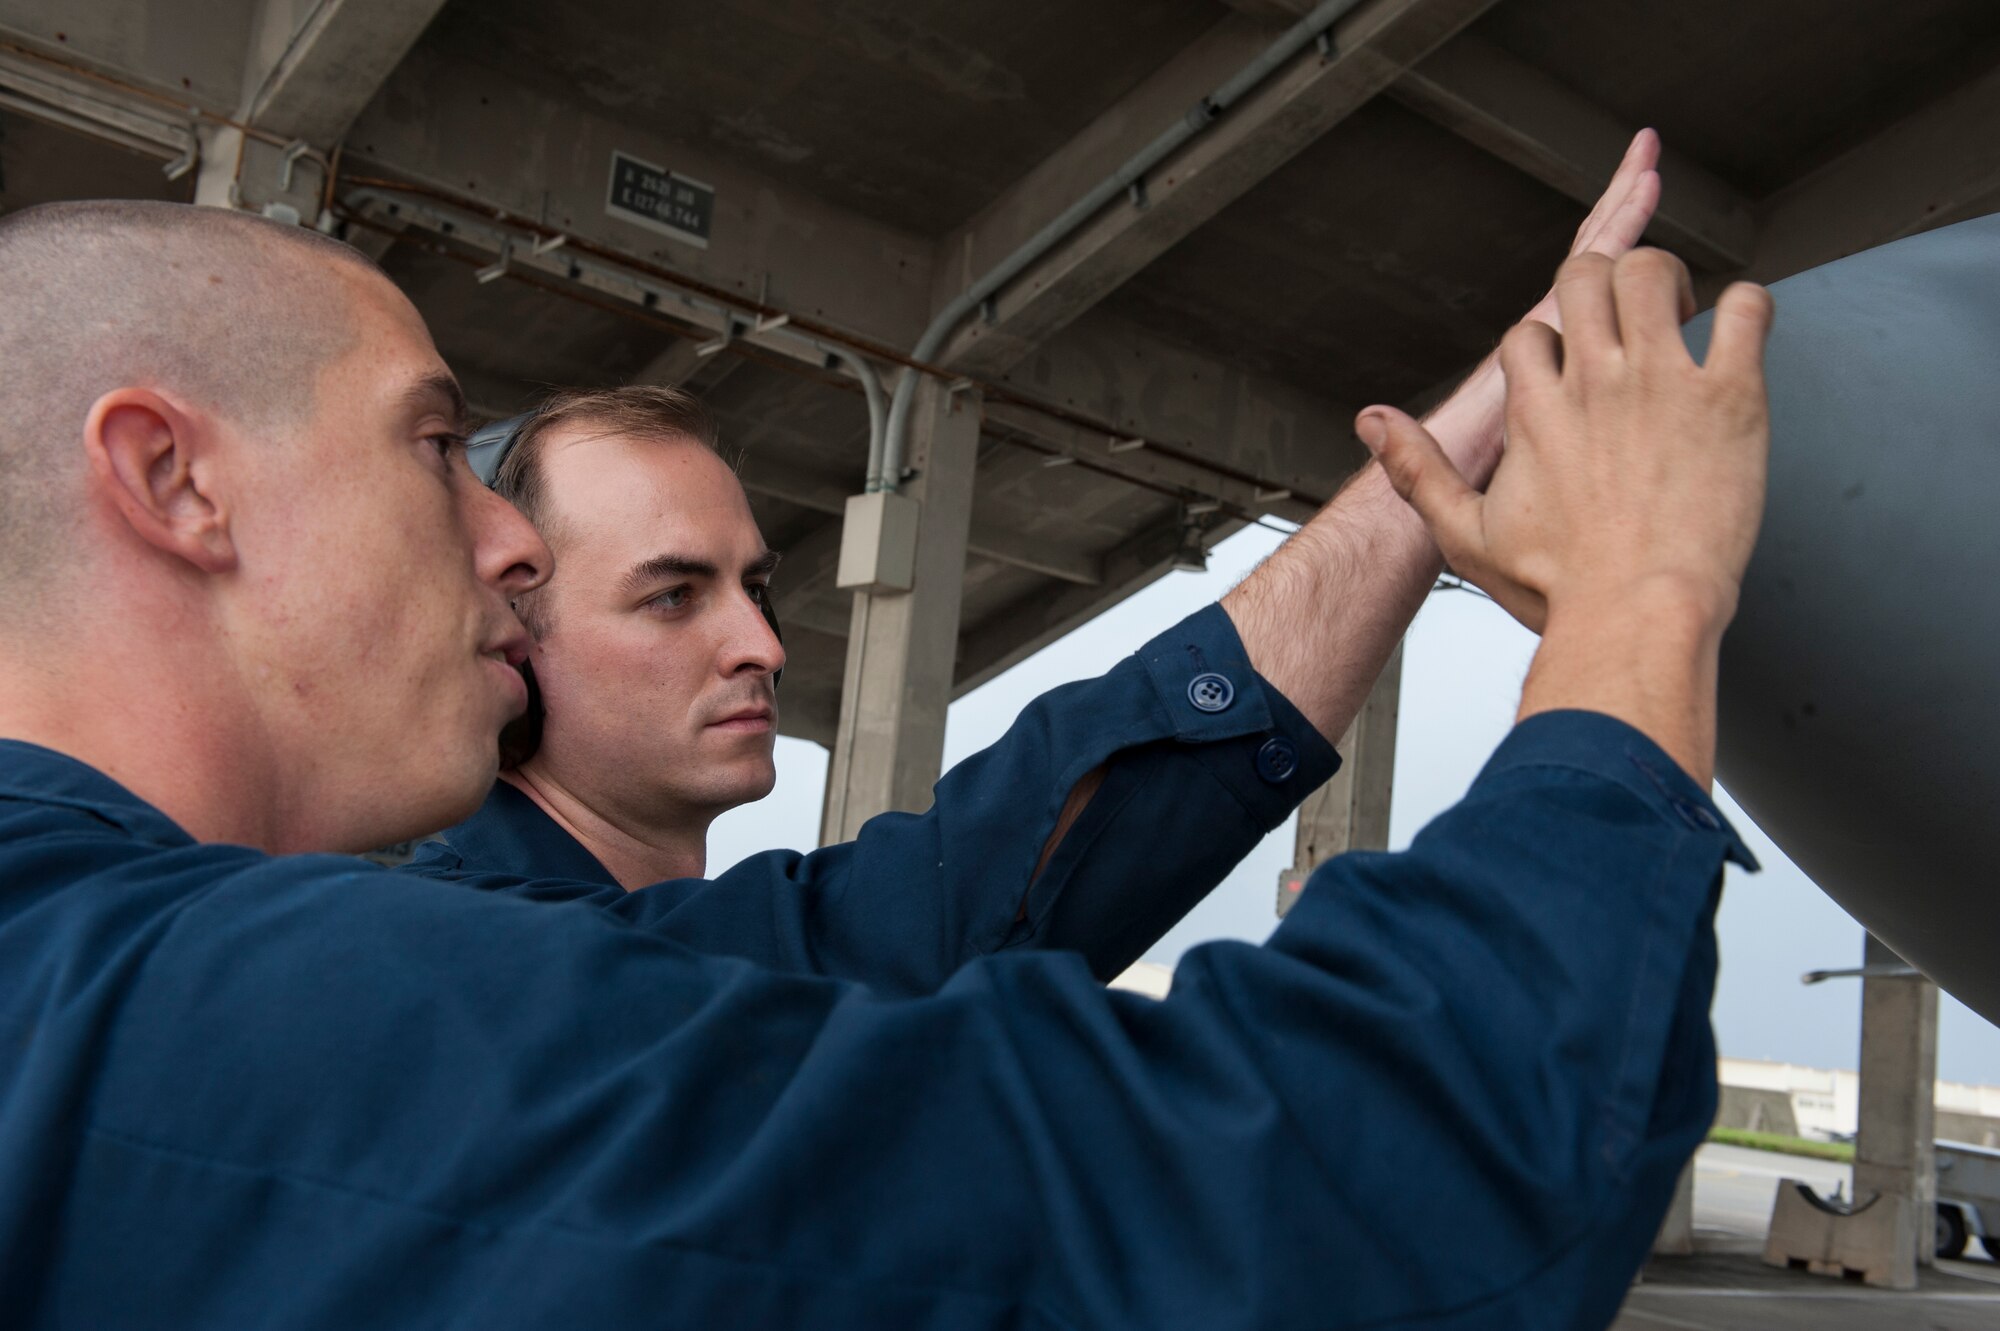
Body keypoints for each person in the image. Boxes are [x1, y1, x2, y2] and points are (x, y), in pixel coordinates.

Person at [0, 185, 1772, 1327]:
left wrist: (1421, 475)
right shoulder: (257, 1021)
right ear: (172, 479)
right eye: (437, 444)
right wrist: (1641, 592)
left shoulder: (177, 974)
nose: (502, 547)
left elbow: (992, 868)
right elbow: (1367, 1199)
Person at [406, 140, 1673, 976]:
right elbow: (973, 886)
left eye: (754, 585)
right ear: (507, 646)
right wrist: (1623, 602)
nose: (762, 645)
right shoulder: (493, 958)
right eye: (672, 593)